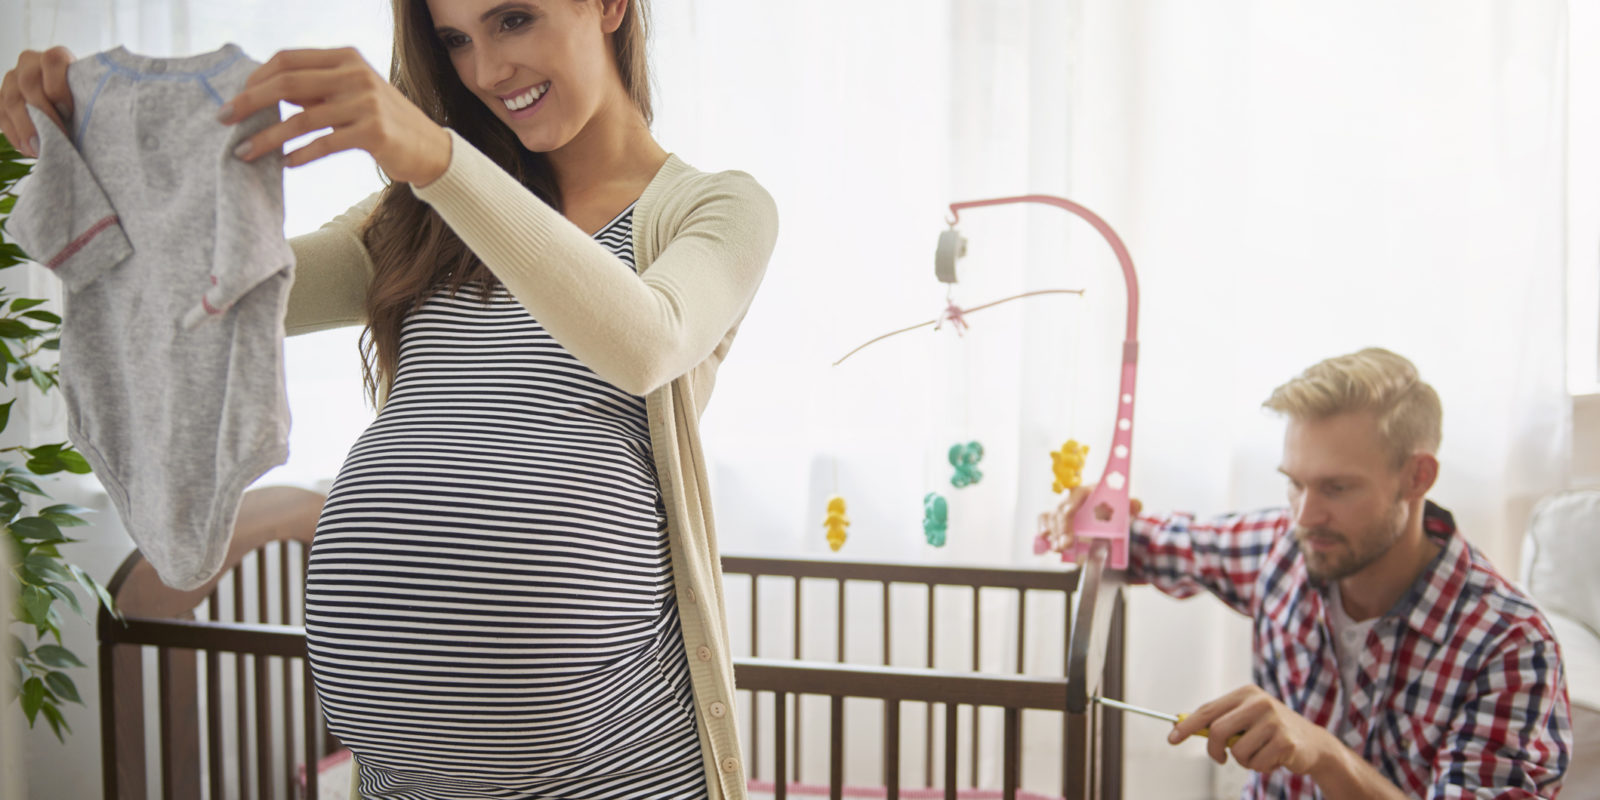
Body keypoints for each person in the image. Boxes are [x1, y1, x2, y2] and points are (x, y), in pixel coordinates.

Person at [1, 1, 778, 798]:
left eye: (512, 19)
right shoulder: (418, 221)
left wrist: (439, 161)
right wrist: (84, 143)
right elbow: (202, 300)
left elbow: (644, 342)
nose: (485, 71)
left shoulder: (715, 207)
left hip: (612, 769)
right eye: (455, 40)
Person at [1040, 347, 1571, 798]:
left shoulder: (1510, 646)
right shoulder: (1282, 549)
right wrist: (1086, 515)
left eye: (1337, 488)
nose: (1304, 515)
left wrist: (1324, 755)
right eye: (1295, 483)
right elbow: (1149, 541)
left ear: (1417, 477)